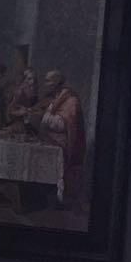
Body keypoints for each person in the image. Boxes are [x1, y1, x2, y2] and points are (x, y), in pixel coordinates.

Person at [34, 69, 86, 205]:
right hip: (50, 139)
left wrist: (44, 118)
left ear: (56, 83)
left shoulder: (71, 100)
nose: (45, 84)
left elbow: (64, 124)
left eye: (48, 81)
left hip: (64, 144)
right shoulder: (55, 98)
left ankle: (57, 198)